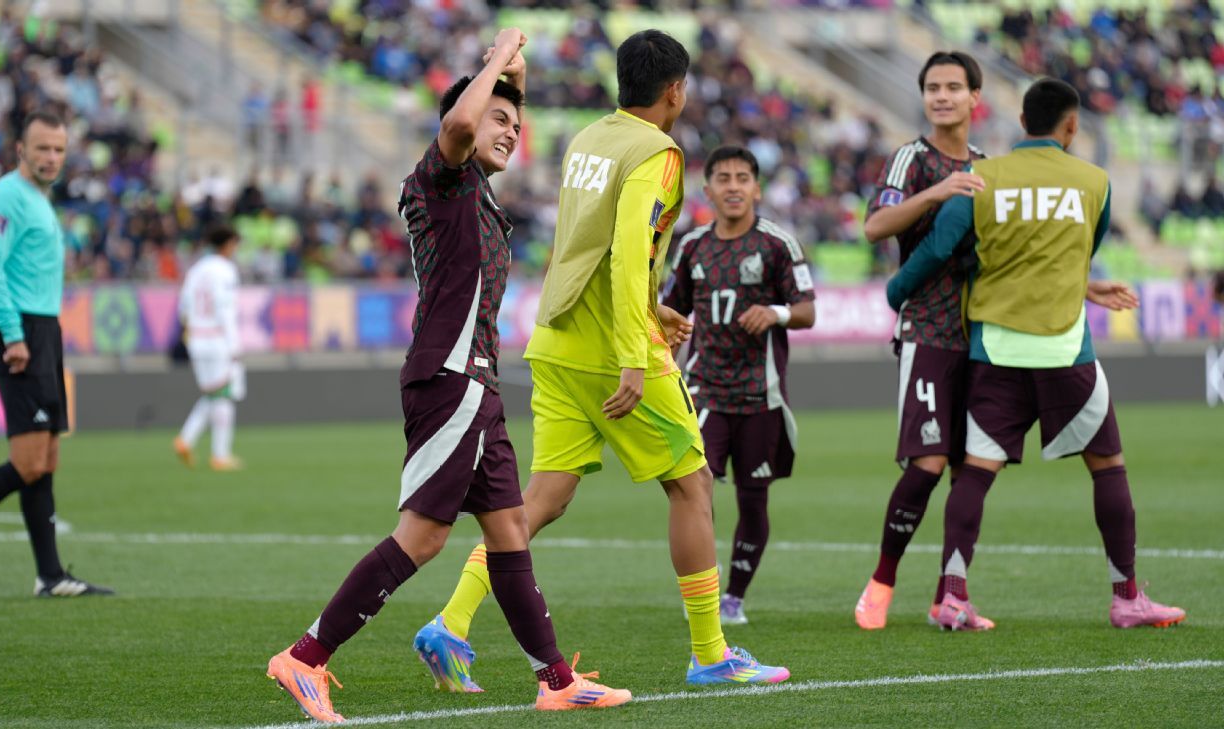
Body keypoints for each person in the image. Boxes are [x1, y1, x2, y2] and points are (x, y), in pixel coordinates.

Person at [263, 29, 630, 724]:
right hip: (450, 379)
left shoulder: (481, 194)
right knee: (424, 535)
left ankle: (556, 680)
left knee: (510, 530)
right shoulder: (441, 176)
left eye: (517, 123)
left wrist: (511, 77)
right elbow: (462, 123)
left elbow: (484, 118)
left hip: (479, 385)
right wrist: (499, 54)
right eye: (500, 118)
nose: (511, 130)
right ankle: (305, 658)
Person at [412, 30, 790, 693]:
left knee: (541, 498)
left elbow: (583, 242)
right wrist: (634, 353)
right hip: (611, 348)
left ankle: (452, 622)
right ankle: (711, 652)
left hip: (557, 341)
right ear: (676, 92)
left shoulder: (589, 138)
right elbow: (625, 249)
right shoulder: (657, 152)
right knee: (692, 485)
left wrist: (652, 306)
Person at [885, 77, 1185, 631]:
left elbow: (939, 248)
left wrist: (897, 291)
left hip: (995, 350)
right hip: (1066, 350)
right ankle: (1126, 598)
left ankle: (952, 596)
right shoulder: (1094, 182)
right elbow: (1079, 253)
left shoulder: (980, 180)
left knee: (976, 473)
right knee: (1108, 467)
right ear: (1072, 126)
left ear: (1021, 122)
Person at [0, 110, 112, 603]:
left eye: (58, 149)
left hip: (43, 329)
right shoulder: (9, 195)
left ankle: (50, 575)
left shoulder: (37, 198)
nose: (51, 157)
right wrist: (12, 335)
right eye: (42, 148)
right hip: (21, 330)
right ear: (20, 151)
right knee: (28, 460)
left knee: (46, 457)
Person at [854, 51, 989, 631]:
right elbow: (875, 227)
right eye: (933, 87)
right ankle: (881, 582)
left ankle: (949, 596)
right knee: (928, 462)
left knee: (970, 468)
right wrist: (937, 194)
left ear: (975, 97)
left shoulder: (989, 167)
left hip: (982, 338)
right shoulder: (911, 159)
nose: (942, 96)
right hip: (926, 331)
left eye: (953, 87)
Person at [660, 145, 816, 625]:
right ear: (707, 190)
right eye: (723, 178)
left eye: (742, 178)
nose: (733, 186)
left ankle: (734, 598)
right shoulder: (692, 247)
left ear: (756, 188)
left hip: (760, 394)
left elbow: (808, 311)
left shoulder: (777, 244)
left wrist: (776, 312)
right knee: (693, 490)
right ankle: (703, 595)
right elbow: (671, 313)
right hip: (703, 389)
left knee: (753, 498)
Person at [173, 224, 244, 471]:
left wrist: (190, 332)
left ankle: (186, 439)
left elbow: (183, 307)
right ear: (227, 244)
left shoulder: (196, 270)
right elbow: (225, 309)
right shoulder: (225, 270)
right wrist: (234, 344)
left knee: (213, 394)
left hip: (196, 338)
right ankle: (220, 455)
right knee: (224, 394)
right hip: (217, 338)